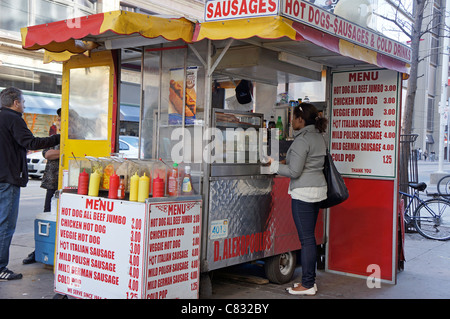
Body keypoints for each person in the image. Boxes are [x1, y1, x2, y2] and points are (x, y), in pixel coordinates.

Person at [268, 103, 328, 296]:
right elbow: (309, 162)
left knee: (307, 239)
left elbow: (295, 172)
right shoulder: (318, 136)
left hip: (304, 192)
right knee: (309, 238)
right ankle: (309, 282)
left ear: (301, 120)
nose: (291, 121)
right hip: (318, 189)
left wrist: (273, 165)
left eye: (293, 118)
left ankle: (308, 284)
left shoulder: (302, 140)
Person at [0, 87, 60, 280]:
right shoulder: (13, 119)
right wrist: (59, 138)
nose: (24, 106)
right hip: (8, 178)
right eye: (23, 102)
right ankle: (1, 267)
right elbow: (31, 143)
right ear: (16, 103)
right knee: (6, 225)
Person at [23, 108, 61, 265]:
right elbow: (47, 154)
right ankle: (40, 250)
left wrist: (60, 152)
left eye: (61, 117)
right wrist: (66, 151)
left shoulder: (78, 136)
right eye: (59, 117)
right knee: (48, 215)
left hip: (70, 182)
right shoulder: (55, 134)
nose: (58, 120)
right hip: (53, 180)